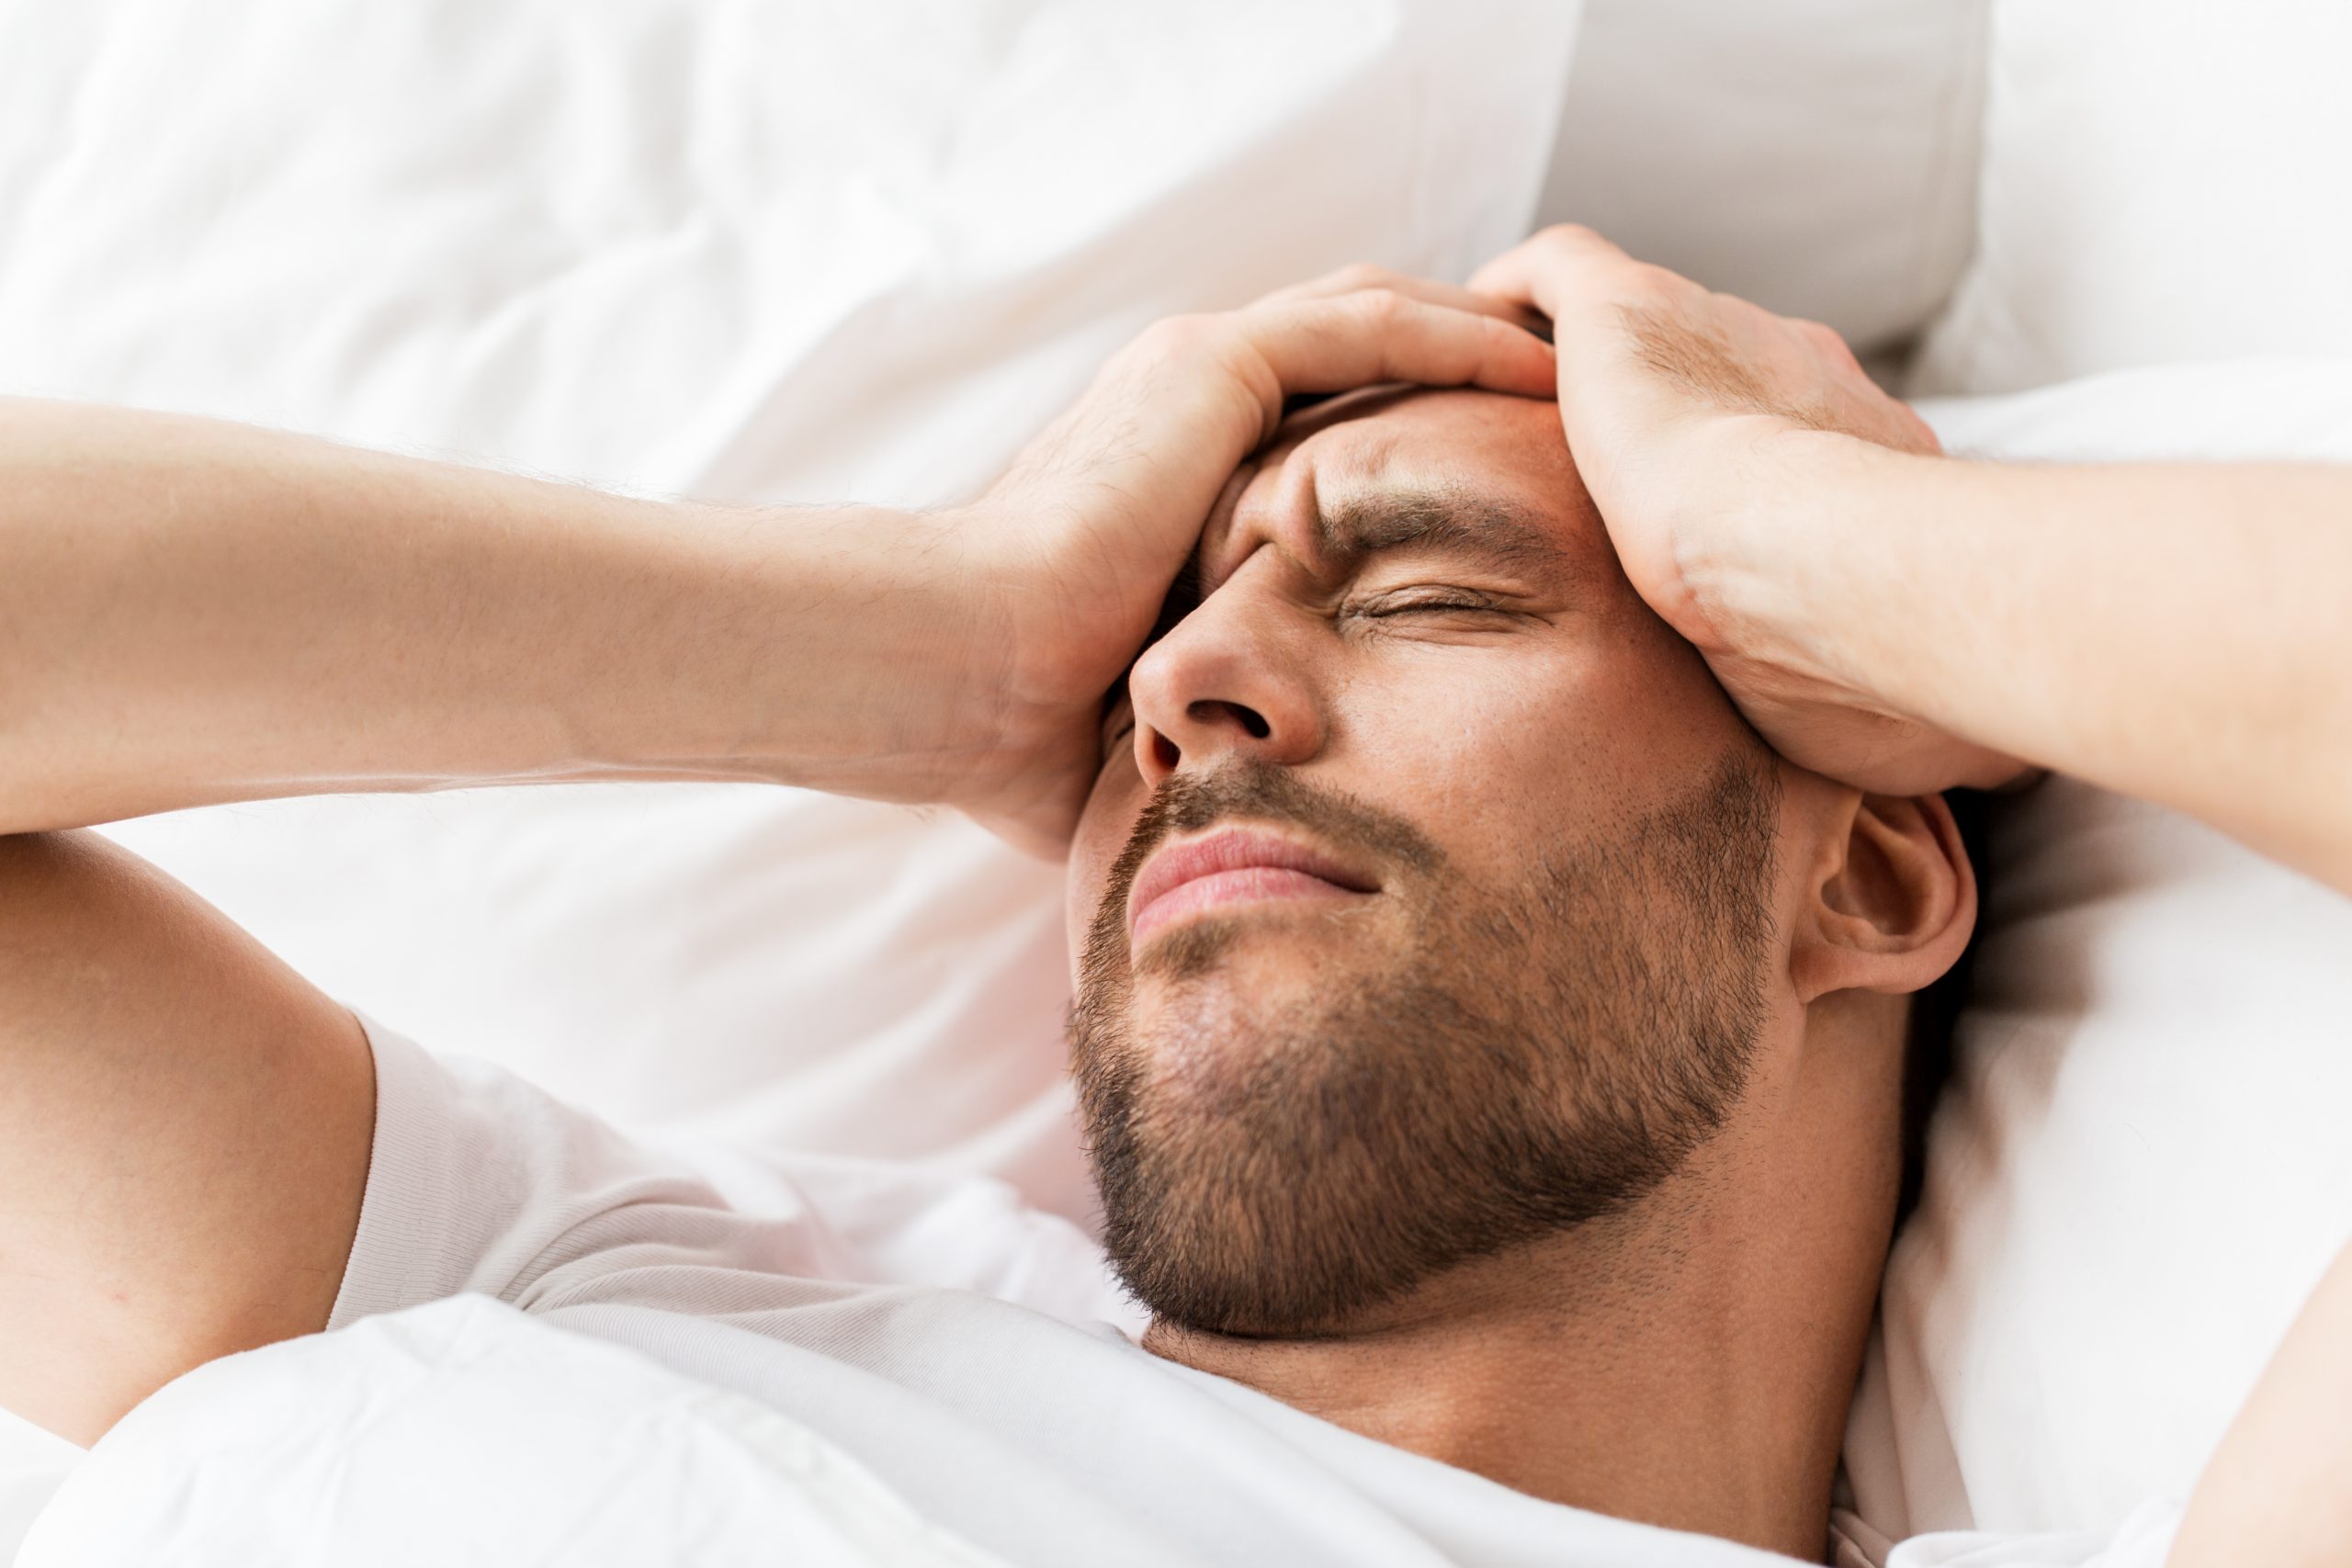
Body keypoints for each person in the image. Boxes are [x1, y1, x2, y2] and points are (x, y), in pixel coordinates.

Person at [0, 232, 2343, 1565]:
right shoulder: (580, 1264)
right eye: (1134, 658)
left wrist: (1784, 537)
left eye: (1430, 593)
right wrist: (940, 639)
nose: (1184, 686)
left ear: (1863, 862)